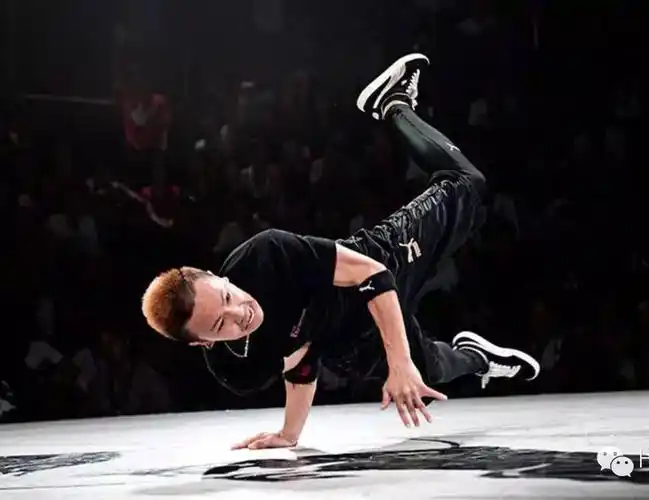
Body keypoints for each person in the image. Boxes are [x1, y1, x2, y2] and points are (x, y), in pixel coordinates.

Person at [141, 53, 540, 450]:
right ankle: (478, 357)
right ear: (203, 344)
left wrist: (399, 362)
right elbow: (300, 361)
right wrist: (289, 434)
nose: (240, 313)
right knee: (428, 375)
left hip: (376, 264)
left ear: (219, 277)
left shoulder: (266, 256)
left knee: (469, 185)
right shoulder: (237, 370)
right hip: (344, 339)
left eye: (228, 297)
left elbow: (374, 274)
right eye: (220, 326)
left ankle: (392, 104)